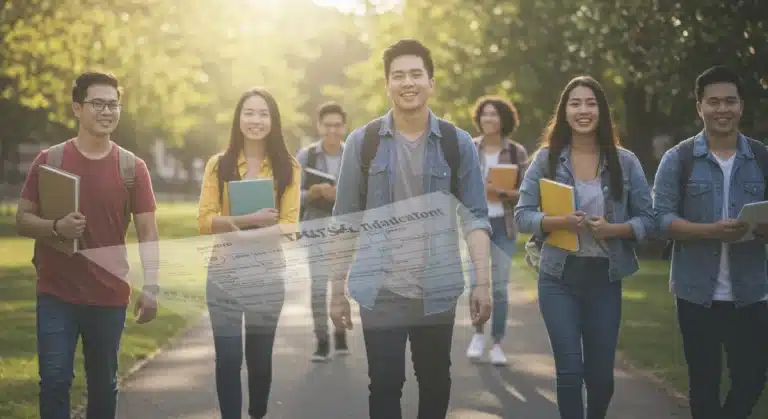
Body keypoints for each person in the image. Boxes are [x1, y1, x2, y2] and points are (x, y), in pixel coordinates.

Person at [328, 39, 492, 419]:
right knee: (385, 385)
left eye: (416, 74)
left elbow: (476, 217)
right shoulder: (363, 143)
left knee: (435, 382)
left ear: (431, 81)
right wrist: (336, 289)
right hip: (380, 287)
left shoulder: (456, 143)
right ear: (387, 84)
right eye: (398, 75)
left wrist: (482, 282)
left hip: (437, 286)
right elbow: (344, 220)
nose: (408, 83)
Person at [15, 71, 160, 419]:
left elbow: (147, 231)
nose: (106, 111)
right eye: (98, 103)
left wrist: (152, 286)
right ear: (77, 109)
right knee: (53, 381)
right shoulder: (50, 160)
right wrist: (56, 227)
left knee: (102, 385)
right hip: (56, 293)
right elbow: (22, 219)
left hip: (108, 296)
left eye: (113, 104)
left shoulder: (132, 168)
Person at [514, 75, 654, 419]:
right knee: (570, 372)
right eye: (575, 103)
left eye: (591, 103)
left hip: (604, 279)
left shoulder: (626, 162)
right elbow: (522, 215)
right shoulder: (546, 160)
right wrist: (558, 222)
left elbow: (650, 220)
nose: (583, 110)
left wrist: (614, 229)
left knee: (601, 378)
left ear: (602, 112)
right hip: (558, 277)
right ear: (564, 112)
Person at [652, 65, 768, 419]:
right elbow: (660, 220)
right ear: (699, 107)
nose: (723, 109)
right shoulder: (678, 159)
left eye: (730, 101)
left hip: (753, 292)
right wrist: (710, 232)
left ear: (741, 106)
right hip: (696, 293)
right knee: (703, 385)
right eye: (714, 101)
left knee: (751, 382)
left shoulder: (763, 158)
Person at [197, 87, 301, 419]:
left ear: (273, 121)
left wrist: (237, 232)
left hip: (266, 277)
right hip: (224, 274)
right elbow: (204, 221)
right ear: (238, 118)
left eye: (262, 114)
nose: (255, 120)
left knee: (259, 361)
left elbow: (289, 227)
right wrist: (250, 222)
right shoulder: (218, 165)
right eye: (248, 113)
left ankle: (257, 414)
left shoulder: (288, 168)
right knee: (227, 359)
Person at [466, 95, 529, 365]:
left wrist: (500, 192)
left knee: (501, 287)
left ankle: (498, 343)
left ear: (504, 120)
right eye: (484, 114)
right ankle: (478, 334)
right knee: (475, 283)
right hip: (476, 225)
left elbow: (527, 194)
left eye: (494, 114)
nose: (488, 119)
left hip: (503, 225)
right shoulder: (469, 147)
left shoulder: (516, 152)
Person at [295, 101, 349, 362]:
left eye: (337, 125)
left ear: (344, 127)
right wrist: (312, 193)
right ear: (319, 126)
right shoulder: (306, 156)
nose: (332, 130)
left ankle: (340, 332)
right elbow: (292, 195)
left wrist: (342, 194)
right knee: (318, 285)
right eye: (327, 125)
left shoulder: (353, 154)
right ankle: (322, 340)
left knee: (338, 285)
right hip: (315, 220)